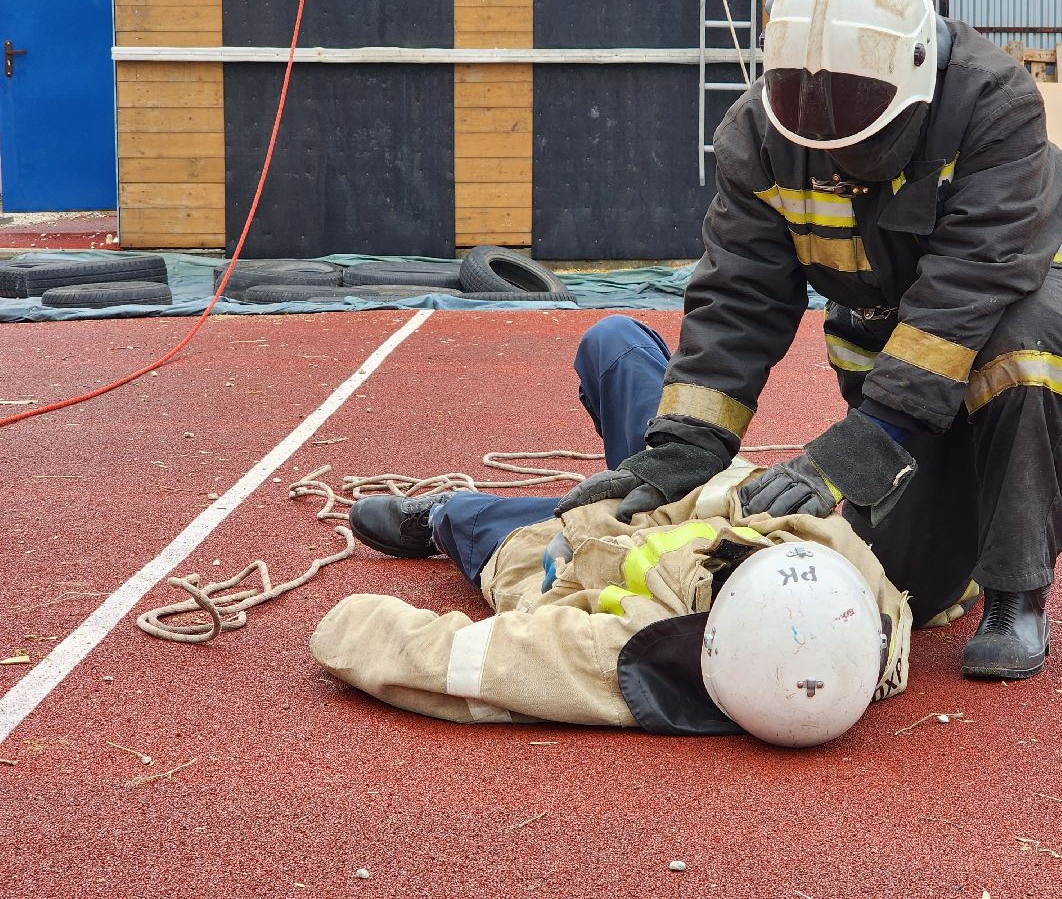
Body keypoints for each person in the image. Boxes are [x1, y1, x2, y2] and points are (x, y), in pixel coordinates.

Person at [555, 0, 1062, 680]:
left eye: (862, 131)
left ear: (917, 82)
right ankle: (469, 520)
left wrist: (857, 451)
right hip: (895, 352)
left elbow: (966, 294)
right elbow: (739, 293)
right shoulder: (760, 135)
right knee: (903, 584)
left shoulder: (994, 104)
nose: (835, 157)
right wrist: (688, 445)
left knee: (1028, 344)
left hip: (1016, 294)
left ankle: (1019, 596)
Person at [311, 316, 913, 746]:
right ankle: (563, 502)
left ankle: (450, 517)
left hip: (553, 567)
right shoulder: (847, 588)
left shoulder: (633, 658)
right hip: (667, 496)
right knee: (614, 343)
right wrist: (638, 486)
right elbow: (735, 492)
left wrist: (576, 529)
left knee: (473, 525)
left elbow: (381, 643)